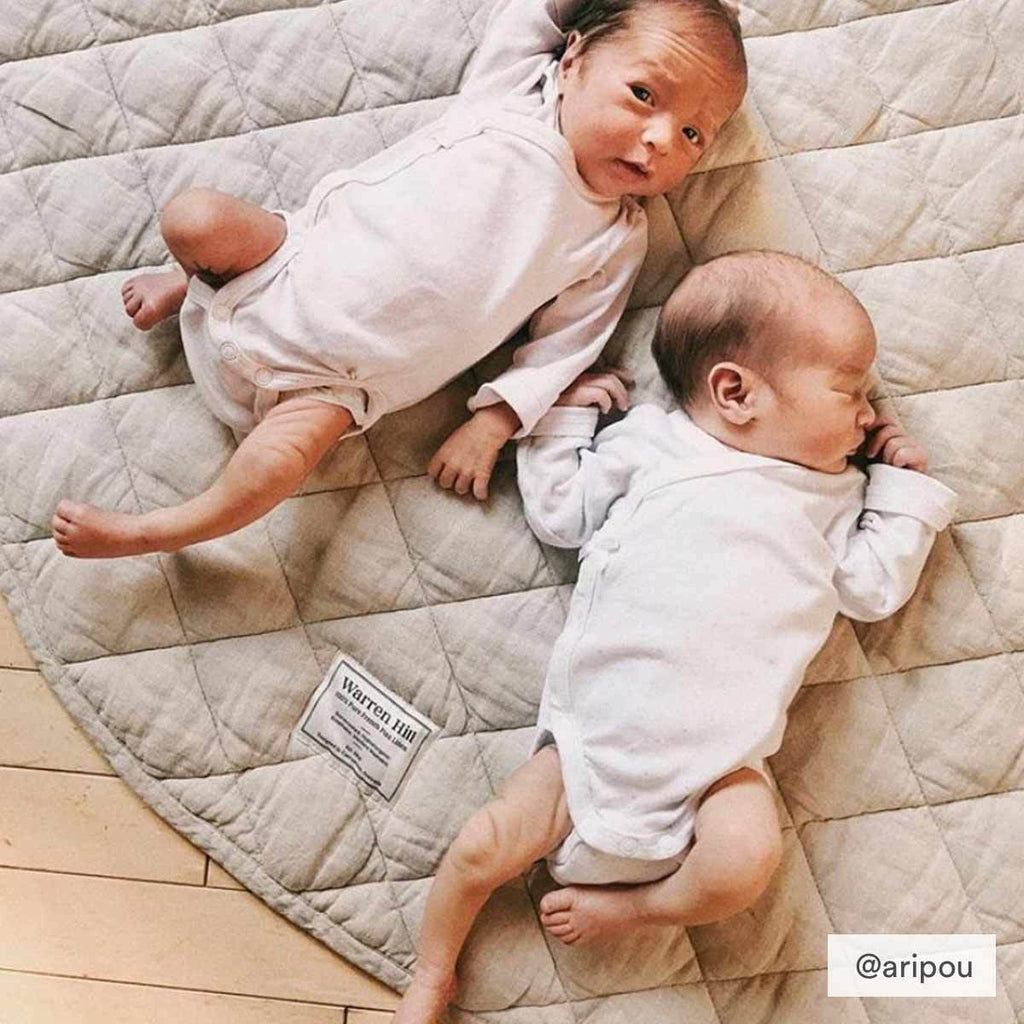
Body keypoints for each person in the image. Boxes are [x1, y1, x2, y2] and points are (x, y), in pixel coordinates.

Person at [392, 250, 957, 1024]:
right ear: (735, 391)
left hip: (722, 766)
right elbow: (560, 511)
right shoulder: (650, 447)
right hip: (594, 743)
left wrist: (899, 492)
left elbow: (872, 587)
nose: (869, 416)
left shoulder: (834, 495)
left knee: (745, 864)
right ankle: (431, 971)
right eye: (850, 390)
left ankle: (641, 908)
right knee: (484, 845)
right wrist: (567, 416)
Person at [51, 0, 747, 558]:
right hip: (279, 266)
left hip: (337, 383)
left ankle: (164, 530)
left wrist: (495, 423)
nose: (660, 138)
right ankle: (189, 280)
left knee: (281, 464)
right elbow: (531, 16)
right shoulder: (508, 97)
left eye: (693, 135)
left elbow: (566, 347)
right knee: (194, 215)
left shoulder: (615, 235)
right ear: (573, 64)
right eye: (643, 93)